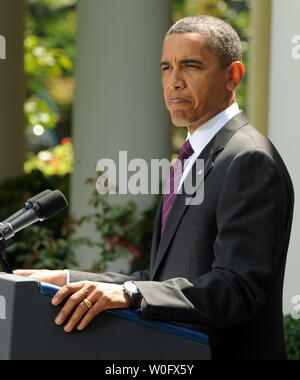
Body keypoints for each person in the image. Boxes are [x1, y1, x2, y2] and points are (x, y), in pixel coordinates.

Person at [15, 15, 294, 360]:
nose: (174, 82)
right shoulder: (189, 158)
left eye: (190, 66)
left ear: (233, 76)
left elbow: (236, 289)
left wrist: (132, 294)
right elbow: (166, 279)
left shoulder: (249, 159)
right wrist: (69, 279)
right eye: (166, 68)